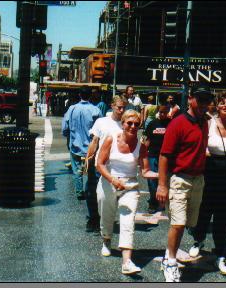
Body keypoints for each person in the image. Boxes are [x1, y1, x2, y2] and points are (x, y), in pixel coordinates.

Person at [156, 85, 214, 282]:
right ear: (190, 99)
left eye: (207, 100)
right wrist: (162, 185)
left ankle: (170, 252)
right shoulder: (178, 124)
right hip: (180, 179)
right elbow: (164, 156)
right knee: (178, 223)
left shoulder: (204, 122)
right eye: (200, 100)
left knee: (189, 223)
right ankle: (170, 262)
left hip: (198, 180)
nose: (203, 104)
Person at [188, 91, 226, 276]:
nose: (225, 106)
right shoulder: (208, 122)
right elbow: (199, 145)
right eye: (222, 103)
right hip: (210, 170)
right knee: (204, 210)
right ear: (217, 105)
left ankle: (221, 253)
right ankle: (198, 240)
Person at [96, 110, 158, 275]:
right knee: (106, 216)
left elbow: (145, 172)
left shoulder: (141, 146)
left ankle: (127, 262)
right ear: (122, 123)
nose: (132, 126)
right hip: (108, 182)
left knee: (127, 221)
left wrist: (163, 175)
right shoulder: (111, 139)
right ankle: (106, 240)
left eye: (136, 124)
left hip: (130, 186)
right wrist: (113, 180)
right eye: (129, 123)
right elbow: (99, 164)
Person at [85, 95, 128, 233]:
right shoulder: (101, 122)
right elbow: (94, 142)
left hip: (116, 167)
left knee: (110, 197)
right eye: (119, 107)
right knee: (92, 193)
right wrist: (88, 160)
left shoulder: (126, 124)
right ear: (112, 106)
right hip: (99, 164)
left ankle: (105, 220)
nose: (121, 110)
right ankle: (93, 219)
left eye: (124, 108)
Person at [62, 87, 102, 200]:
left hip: (75, 144)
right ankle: (91, 190)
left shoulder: (72, 108)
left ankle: (79, 192)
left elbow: (65, 125)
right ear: (90, 95)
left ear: (79, 95)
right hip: (91, 146)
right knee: (91, 170)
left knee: (77, 169)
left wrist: (67, 135)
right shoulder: (95, 110)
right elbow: (101, 128)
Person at [143, 105, 170, 214]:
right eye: (161, 112)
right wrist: (143, 154)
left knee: (165, 180)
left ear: (168, 111)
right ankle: (153, 202)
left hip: (166, 156)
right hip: (153, 155)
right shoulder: (152, 123)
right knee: (152, 181)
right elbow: (147, 139)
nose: (162, 114)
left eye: (165, 112)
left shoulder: (171, 123)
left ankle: (163, 202)